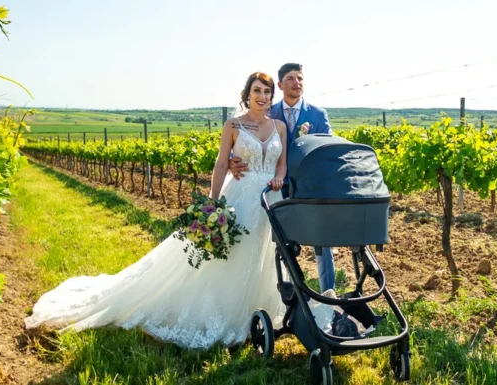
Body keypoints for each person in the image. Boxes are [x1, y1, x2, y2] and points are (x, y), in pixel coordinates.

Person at [24, 72, 289, 349]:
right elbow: (221, 164)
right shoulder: (233, 125)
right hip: (239, 197)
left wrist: (279, 176)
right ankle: (228, 312)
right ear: (247, 94)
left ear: (272, 96)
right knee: (233, 254)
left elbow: (281, 162)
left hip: (270, 198)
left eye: (267, 92)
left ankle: (256, 310)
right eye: (257, 90)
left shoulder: (278, 127)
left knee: (263, 253)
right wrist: (213, 204)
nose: (262, 97)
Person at [229, 62, 336, 294]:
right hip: (274, 188)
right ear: (280, 84)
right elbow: (245, 137)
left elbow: (328, 149)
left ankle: (330, 292)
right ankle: (288, 291)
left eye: (300, 78)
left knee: (322, 241)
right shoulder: (268, 111)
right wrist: (230, 159)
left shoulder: (318, 114)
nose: (296, 82)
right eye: (290, 78)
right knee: (277, 243)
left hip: (308, 189)